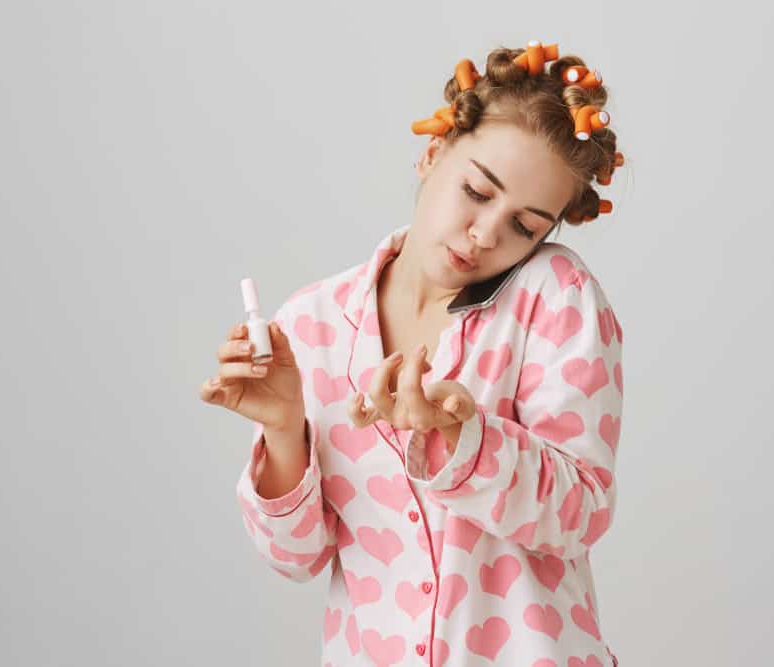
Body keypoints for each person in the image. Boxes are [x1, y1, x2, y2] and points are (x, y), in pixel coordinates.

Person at [200, 42, 626, 667]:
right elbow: (297, 559)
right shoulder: (311, 324)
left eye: (525, 226)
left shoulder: (555, 296)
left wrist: (466, 441)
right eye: (478, 192)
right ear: (433, 153)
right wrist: (284, 431)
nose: (485, 234)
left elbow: (582, 510)